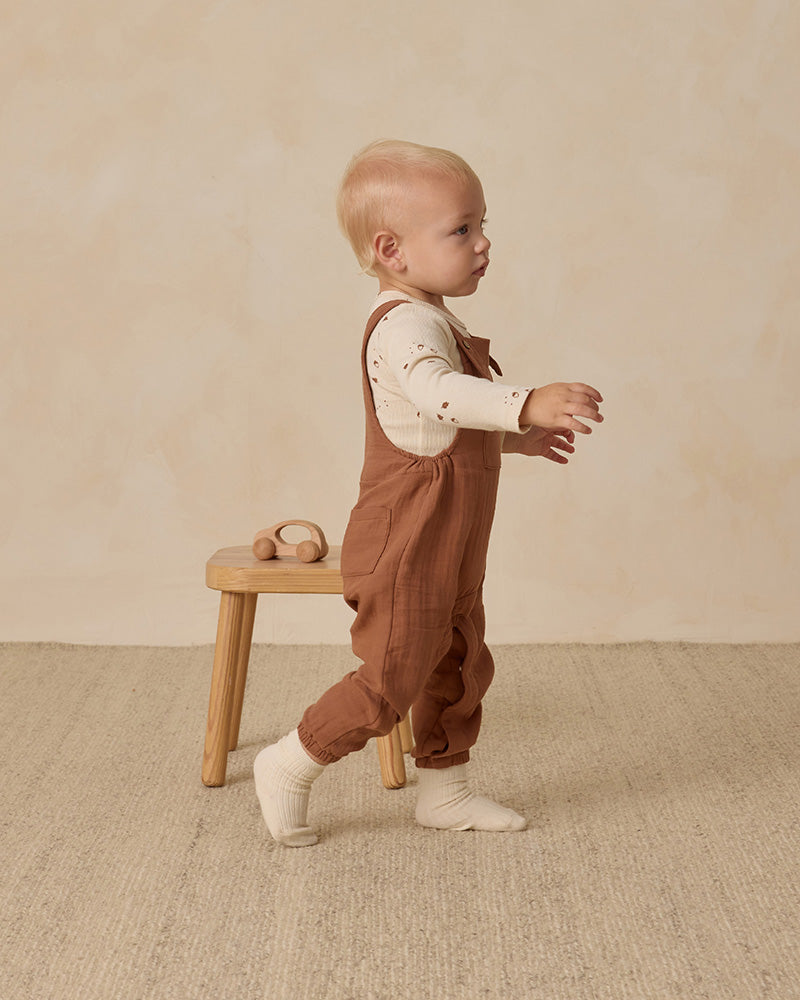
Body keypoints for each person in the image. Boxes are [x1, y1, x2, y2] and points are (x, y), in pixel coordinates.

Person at [254, 139, 603, 847]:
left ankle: (446, 793)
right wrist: (526, 402)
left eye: (481, 224)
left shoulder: (437, 317)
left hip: (453, 542)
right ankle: (291, 759)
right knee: (393, 674)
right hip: (408, 542)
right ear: (392, 250)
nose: (483, 243)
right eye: (461, 229)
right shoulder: (405, 324)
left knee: (459, 664)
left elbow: (439, 429)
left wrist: (515, 440)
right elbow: (435, 393)